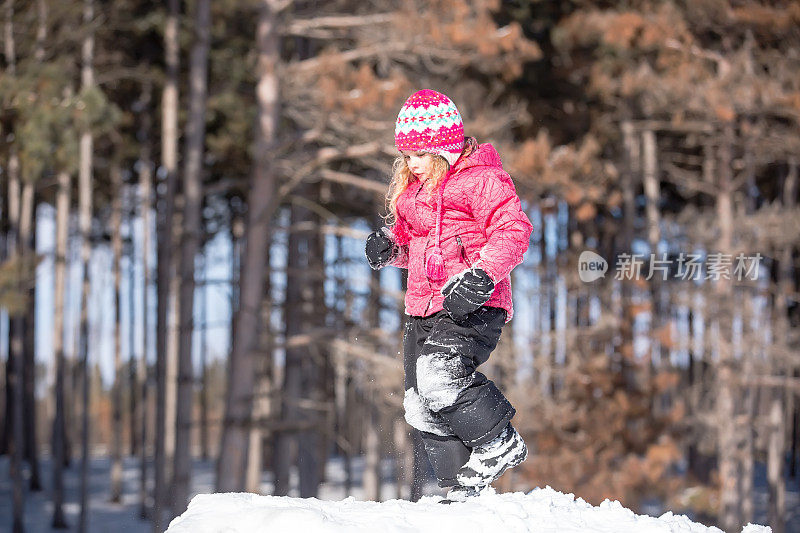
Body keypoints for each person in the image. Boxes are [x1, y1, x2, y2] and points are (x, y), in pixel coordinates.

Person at [364, 89, 534, 501]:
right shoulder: (414, 196)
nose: (412, 164)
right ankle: (460, 489)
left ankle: (499, 442)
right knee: (418, 402)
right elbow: (420, 249)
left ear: (444, 147)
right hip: (422, 308)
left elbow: (515, 231)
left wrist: (481, 275)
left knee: (440, 378)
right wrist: (392, 249)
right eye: (406, 155)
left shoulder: (481, 181)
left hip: (472, 303)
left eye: (420, 154)